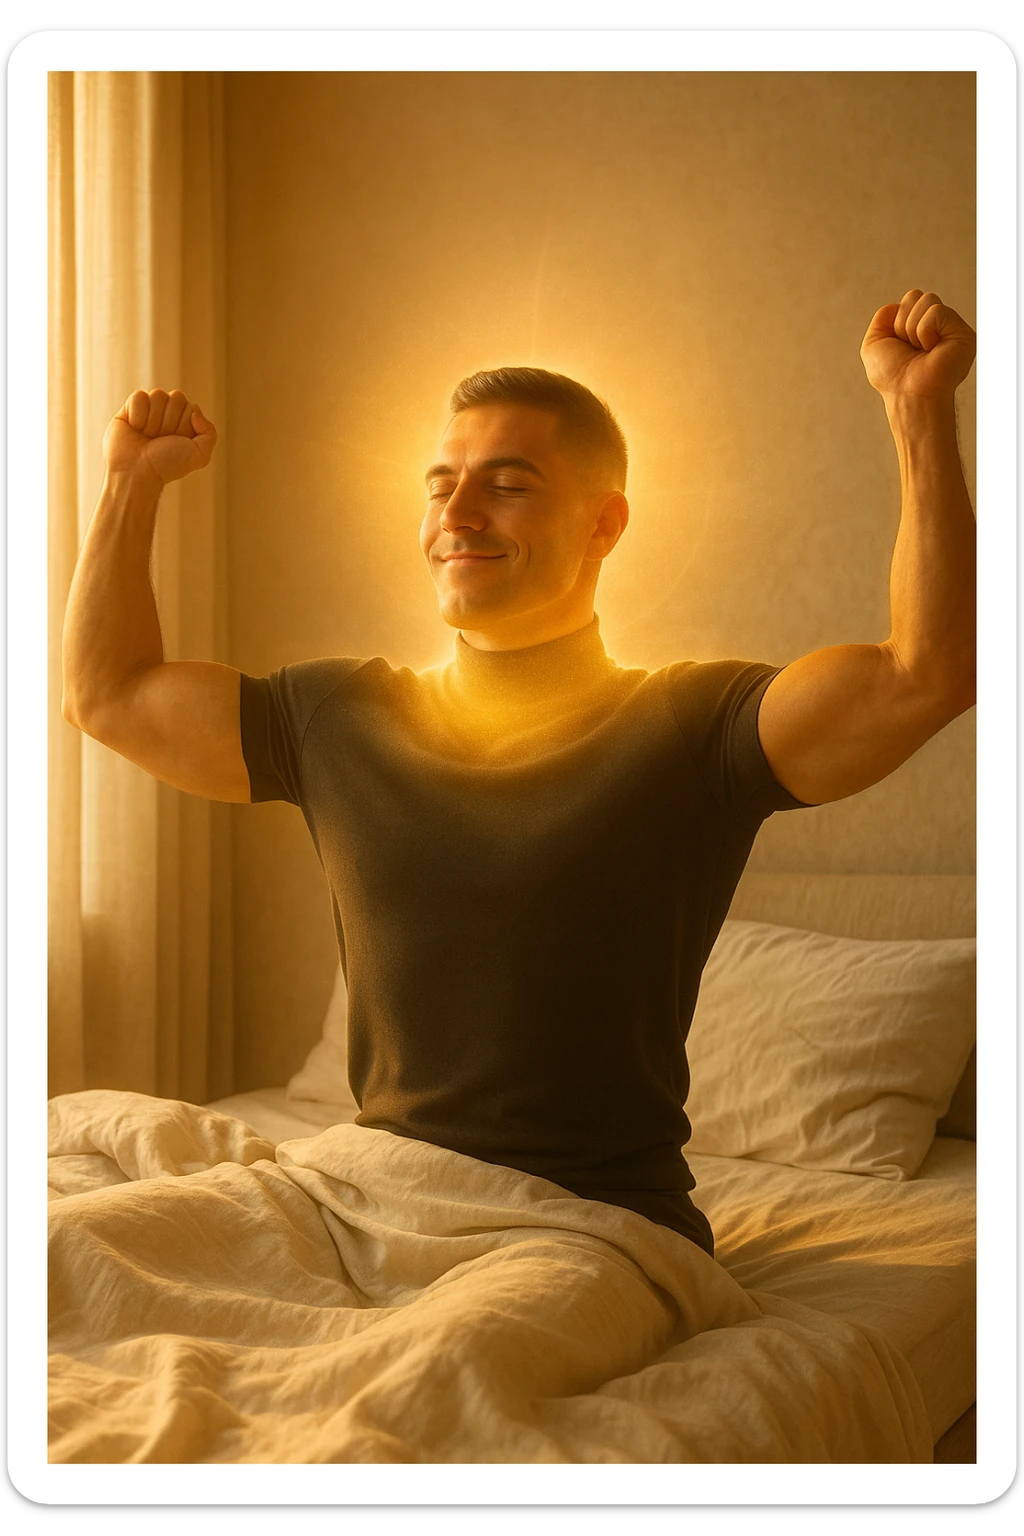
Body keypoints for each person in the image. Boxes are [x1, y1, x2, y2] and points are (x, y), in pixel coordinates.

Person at [61, 289, 977, 1257]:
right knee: (74, 1248)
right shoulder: (337, 719)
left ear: (603, 523)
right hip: (370, 1198)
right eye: (438, 483)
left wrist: (917, 410)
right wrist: (129, 483)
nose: (456, 512)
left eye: (506, 483)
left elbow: (927, 671)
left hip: (593, 1229)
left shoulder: (693, 728)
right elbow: (106, 694)